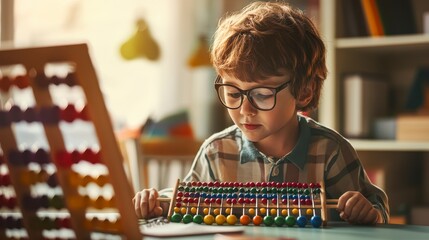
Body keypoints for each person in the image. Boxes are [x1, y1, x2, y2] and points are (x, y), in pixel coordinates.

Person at [133, 1, 389, 224]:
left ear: (304, 92)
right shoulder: (217, 153)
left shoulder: (330, 151)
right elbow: (185, 203)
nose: (245, 109)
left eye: (262, 94)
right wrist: (157, 203)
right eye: (233, 93)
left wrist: (369, 213)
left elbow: (376, 209)